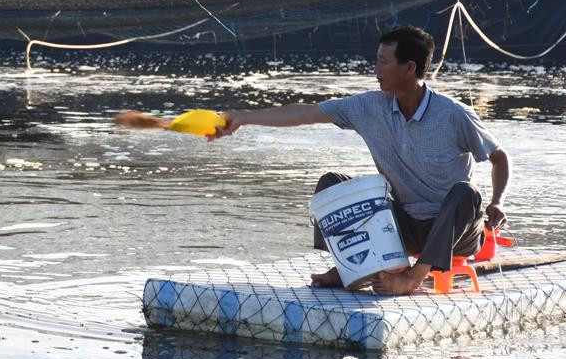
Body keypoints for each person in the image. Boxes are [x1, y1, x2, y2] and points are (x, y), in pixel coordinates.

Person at [209, 26, 510, 296]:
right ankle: (349, 269)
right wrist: (243, 118)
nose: (375, 68)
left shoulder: (454, 115)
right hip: (403, 227)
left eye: (382, 61)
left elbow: (499, 158)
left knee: (465, 192)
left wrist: (497, 202)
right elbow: (305, 113)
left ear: (408, 68)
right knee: (332, 184)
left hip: (455, 231)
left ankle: (414, 278)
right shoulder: (369, 106)